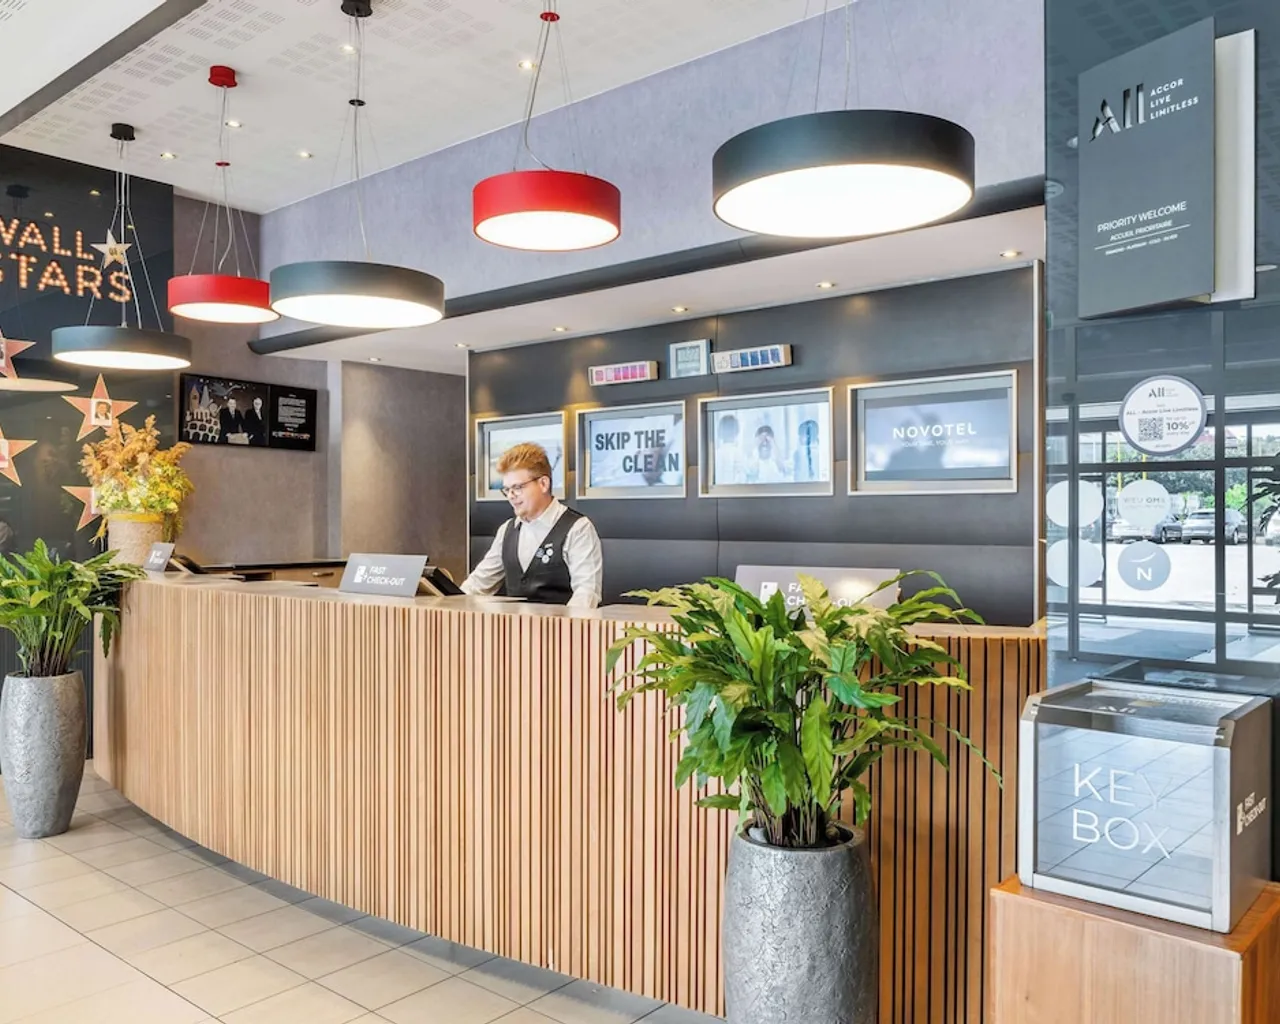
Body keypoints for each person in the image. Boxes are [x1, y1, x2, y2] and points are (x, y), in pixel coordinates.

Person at [462, 442, 603, 608]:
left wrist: (564, 623)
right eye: (506, 490)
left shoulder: (578, 528)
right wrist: (450, 603)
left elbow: (586, 593)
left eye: (517, 487)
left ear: (543, 484)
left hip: (561, 624)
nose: (511, 496)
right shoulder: (507, 530)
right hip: (513, 624)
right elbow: (478, 584)